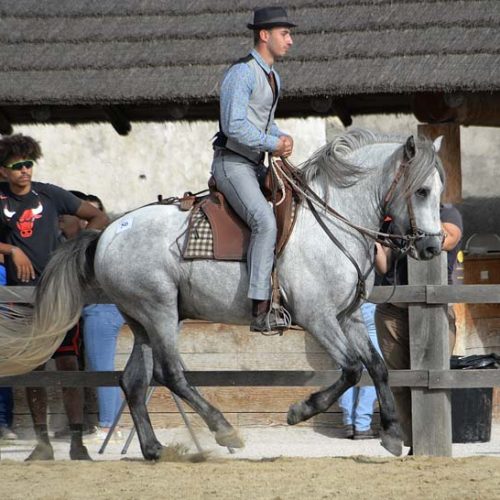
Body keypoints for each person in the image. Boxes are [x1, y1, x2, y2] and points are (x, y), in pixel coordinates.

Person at [0, 134, 108, 460]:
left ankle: (77, 441)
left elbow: (97, 217)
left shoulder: (49, 193)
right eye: (16, 166)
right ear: (3, 171)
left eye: (28, 163)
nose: (24, 171)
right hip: (19, 296)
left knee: (68, 364)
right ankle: (43, 443)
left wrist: (73, 255)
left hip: (58, 294)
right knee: (32, 368)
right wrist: (10, 249)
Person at [211, 6, 295, 332]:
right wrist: (273, 144)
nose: (290, 40)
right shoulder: (242, 73)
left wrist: (281, 137)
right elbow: (233, 126)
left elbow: (265, 123)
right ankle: (260, 308)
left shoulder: (274, 77)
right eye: (284, 33)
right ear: (264, 35)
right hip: (232, 164)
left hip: (255, 164)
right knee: (263, 220)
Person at [375, 203, 463, 452]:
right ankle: (414, 444)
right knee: (399, 382)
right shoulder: (391, 219)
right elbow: (384, 265)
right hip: (392, 310)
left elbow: (448, 238)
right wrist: (373, 243)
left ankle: (432, 442)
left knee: (433, 379)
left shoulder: (447, 212)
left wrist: (416, 228)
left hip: (433, 310)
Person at [60, 193, 125, 439]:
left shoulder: (98, 241)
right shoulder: (67, 242)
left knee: (101, 364)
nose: (87, 224)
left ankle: (109, 423)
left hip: (101, 306)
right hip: (88, 308)